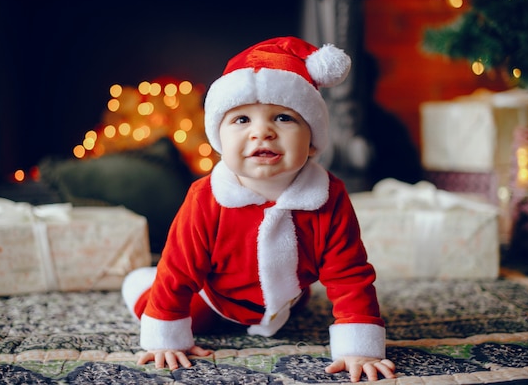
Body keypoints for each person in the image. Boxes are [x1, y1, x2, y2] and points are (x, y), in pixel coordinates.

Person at [122, 36, 396, 382]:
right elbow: (179, 268)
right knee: (182, 312)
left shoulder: (329, 197)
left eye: (282, 118)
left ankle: (285, 304)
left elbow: (349, 273)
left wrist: (360, 345)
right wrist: (165, 337)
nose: (261, 132)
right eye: (241, 121)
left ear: (312, 144)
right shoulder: (207, 197)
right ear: (219, 141)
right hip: (216, 296)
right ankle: (139, 286)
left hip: (286, 300)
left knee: (303, 304)